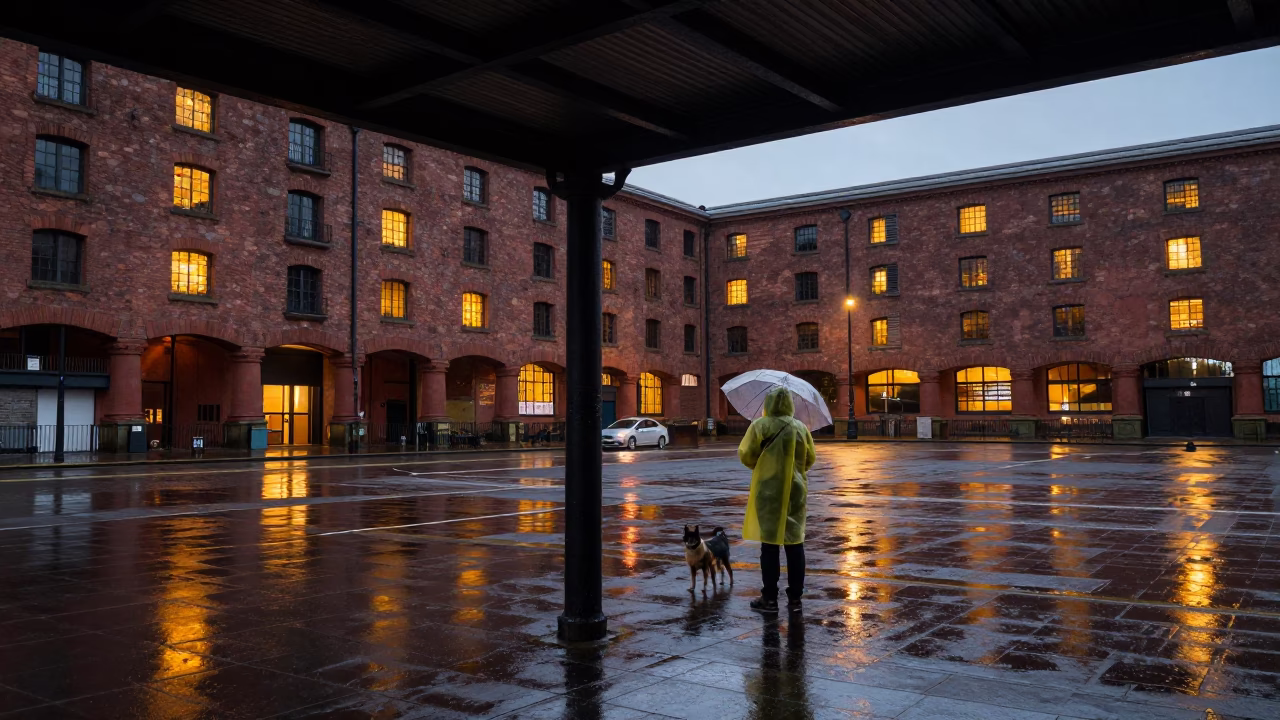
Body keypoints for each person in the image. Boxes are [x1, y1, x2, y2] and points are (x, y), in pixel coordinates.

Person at [737, 386, 815, 613]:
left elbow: (746, 455)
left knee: (770, 545)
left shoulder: (760, 426)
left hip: (768, 491)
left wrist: (762, 463)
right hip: (795, 491)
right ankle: (795, 598)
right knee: (795, 543)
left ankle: (770, 598)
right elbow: (809, 459)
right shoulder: (801, 428)